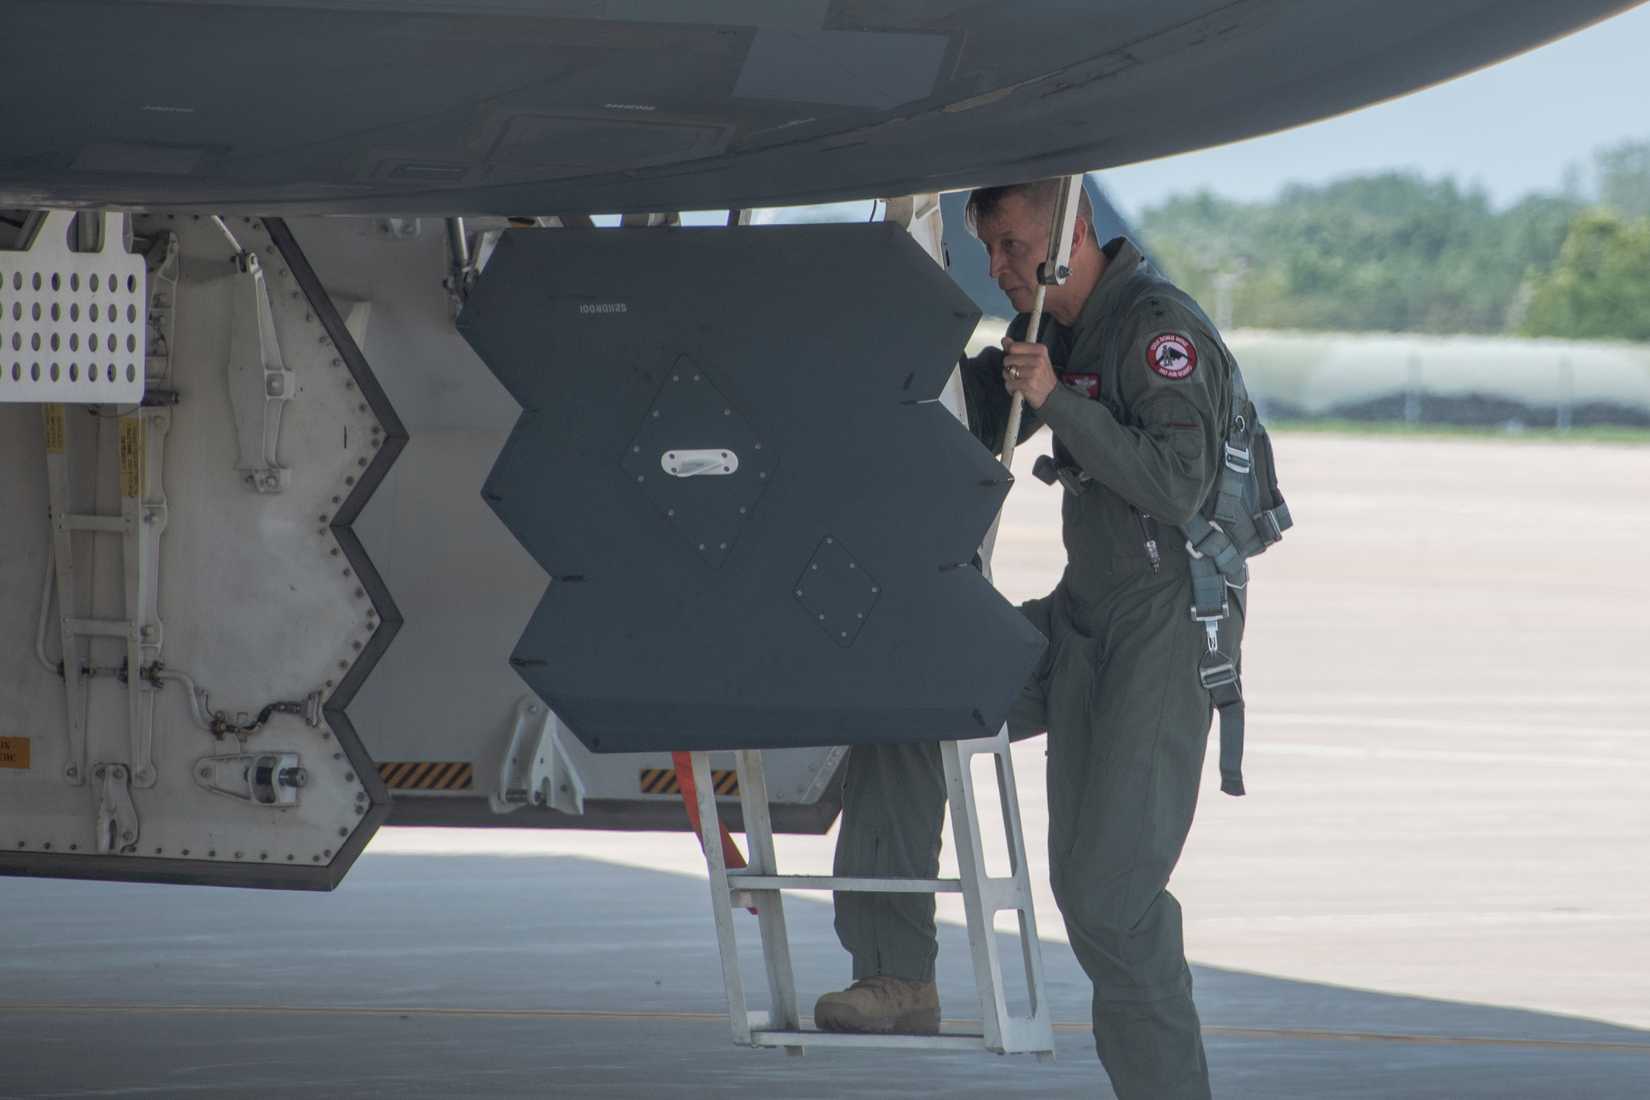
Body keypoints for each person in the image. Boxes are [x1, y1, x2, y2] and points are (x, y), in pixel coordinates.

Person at [814, 179, 1242, 1100]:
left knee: (1108, 903)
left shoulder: (1157, 332)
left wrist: (1056, 397)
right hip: (1083, 615)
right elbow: (958, 418)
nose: (999, 269)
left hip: (1163, 628)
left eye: (1011, 246)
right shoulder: (1045, 336)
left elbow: (1178, 484)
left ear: (1074, 232)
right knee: (909, 698)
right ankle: (897, 975)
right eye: (989, 249)